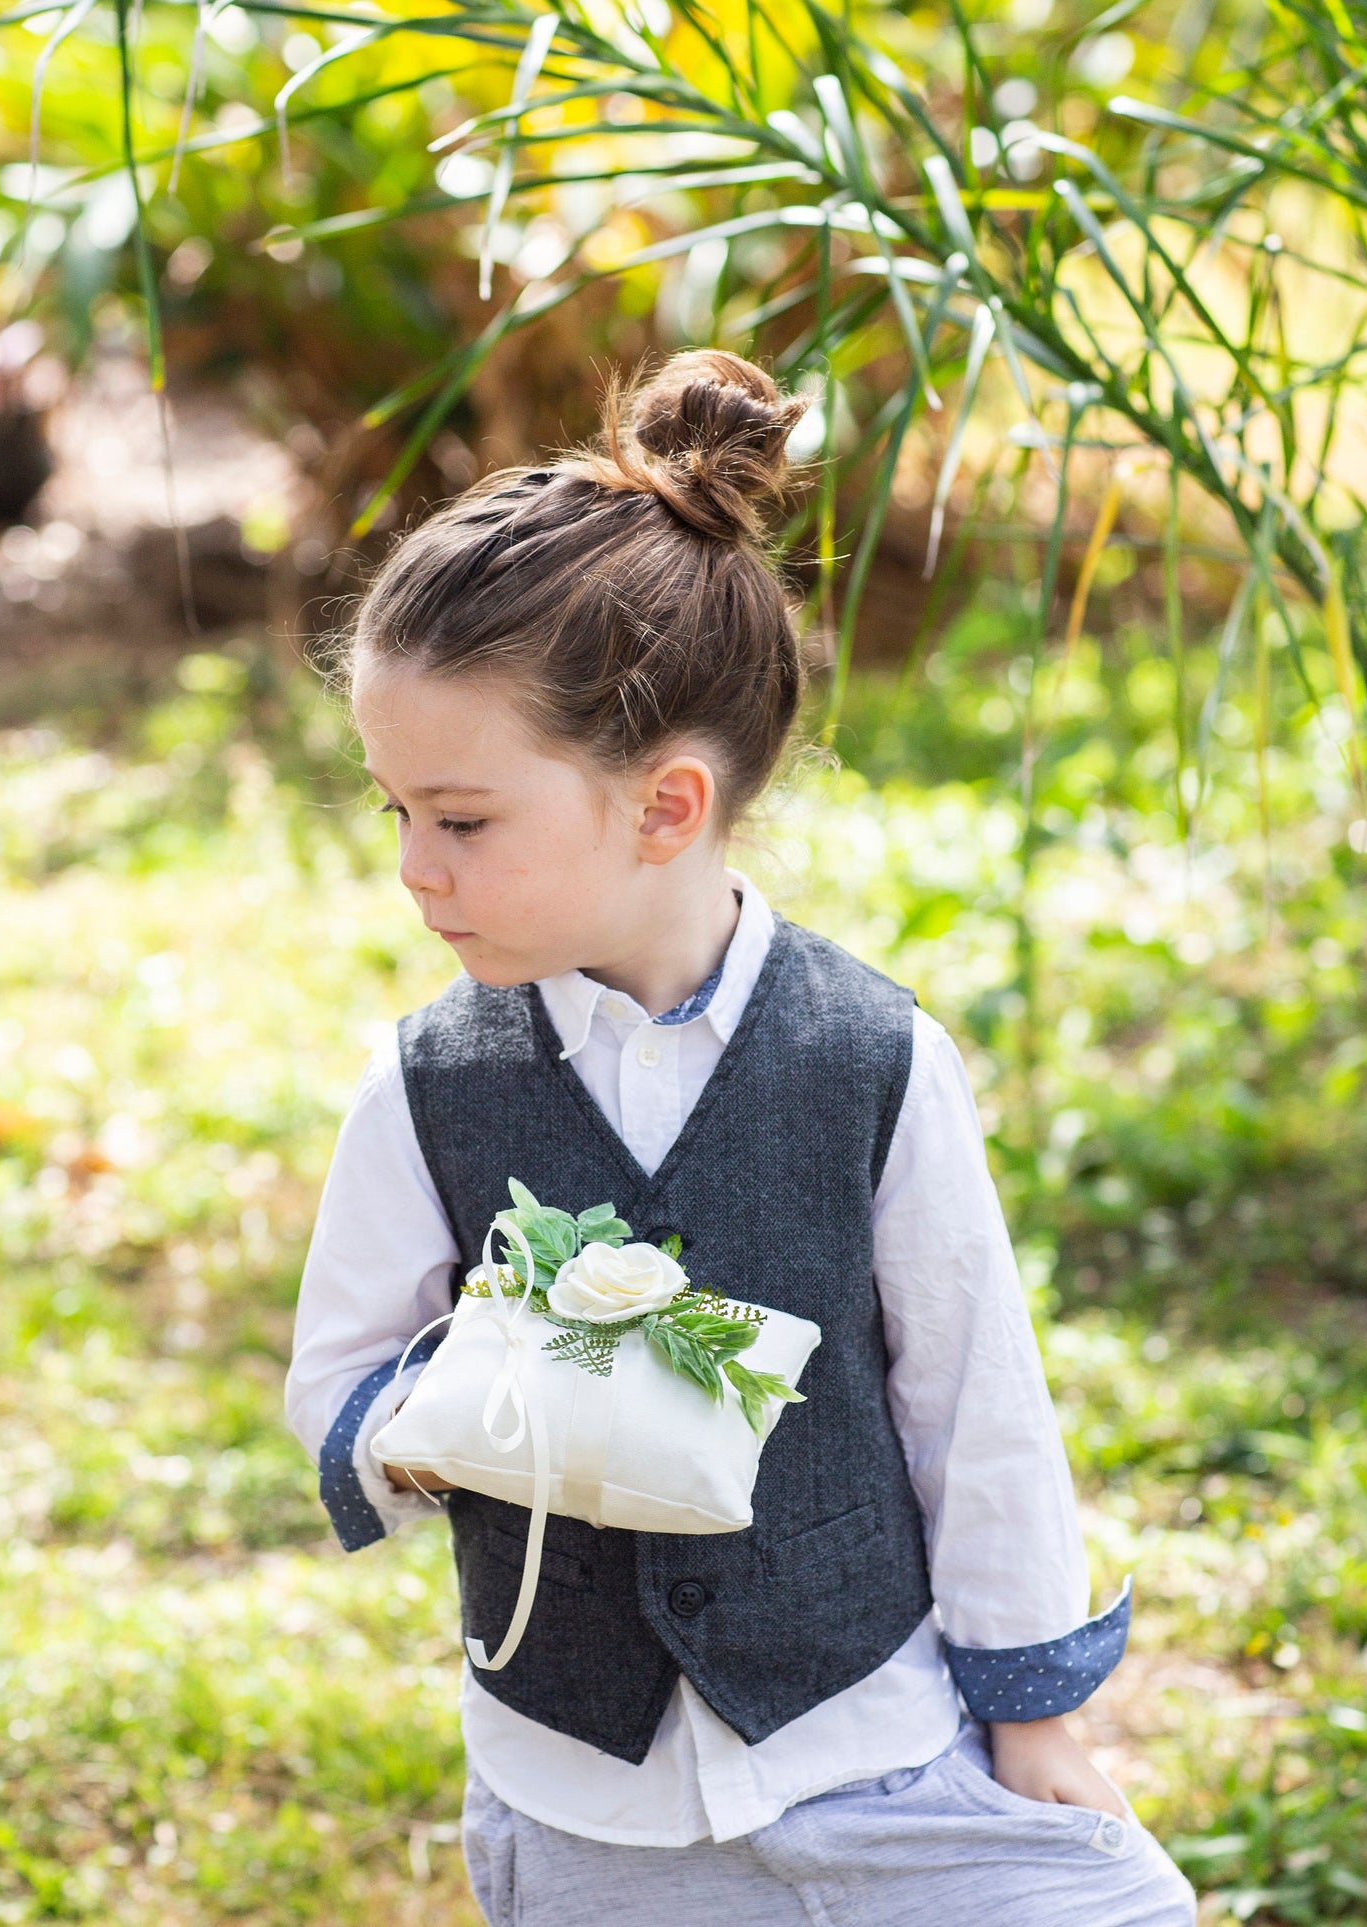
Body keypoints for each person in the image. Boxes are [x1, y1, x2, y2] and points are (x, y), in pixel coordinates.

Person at [284, 348, 1198, 1926]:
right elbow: (341, 1382)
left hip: (875, 1753)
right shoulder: (423, 1084)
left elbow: (972, 1403)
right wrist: (476, 1405)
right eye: (396, 814)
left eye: (462, 820)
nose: (415, 868)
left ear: (664, 806)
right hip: (581, 1795)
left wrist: (1030, 1712)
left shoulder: (872, 1061)